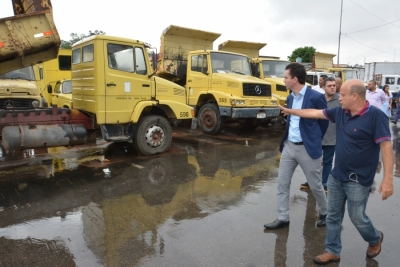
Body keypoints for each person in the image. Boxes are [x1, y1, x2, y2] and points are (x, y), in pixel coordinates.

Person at [278, 79, 394, 264]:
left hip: (359, 178)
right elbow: (315, 112)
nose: (339, 97)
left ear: (355, 96)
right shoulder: (341, 112)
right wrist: (290, 111)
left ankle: (374, 238)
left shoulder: (376, 116)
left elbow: (386, 148)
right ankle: (333, 250)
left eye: (343, 95)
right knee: (333, 215)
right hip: (337, 175)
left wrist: (388, 179)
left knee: (357, 217)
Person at [263, 63, 329, 230]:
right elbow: (291, 121)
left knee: (315, 185)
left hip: (308, 148)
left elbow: (324, 121)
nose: (284, 80)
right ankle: (283, 217)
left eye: (286, 77)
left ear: (295, 79)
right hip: (289, 147)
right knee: (282, 183)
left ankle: (326, 212)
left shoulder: (315, 97)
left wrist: (313, 139)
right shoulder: (291, 97)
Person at [300, 77, 340, 191]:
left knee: (327, 161)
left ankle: (324, 183)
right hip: (317, 137)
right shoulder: (318, 99)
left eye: (334, 85)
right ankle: (311, 181)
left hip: (332, 137)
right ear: (323, 87)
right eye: (329, 86)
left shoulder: (340, 101)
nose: (332, 87)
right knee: (313, 161)